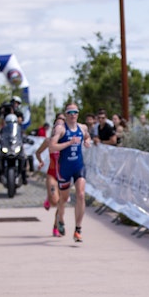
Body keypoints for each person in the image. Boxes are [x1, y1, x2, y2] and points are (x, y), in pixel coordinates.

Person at [50, 103, 92, 242]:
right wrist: (68, 143)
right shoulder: (61, 129)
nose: (73, 115)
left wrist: (87, 141)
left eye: (75, 112)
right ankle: (60, 218)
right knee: (64, 199)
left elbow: (87, 136)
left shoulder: (82, 127)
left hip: (78, 166)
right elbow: (52, 146)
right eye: (70, 112)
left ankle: (78, 229)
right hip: (64, 168)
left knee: (80, 194)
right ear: (66, 114)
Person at [36, 114, 65, 236]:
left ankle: (56, 226)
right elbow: (38, 152)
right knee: (54, 200)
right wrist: (41, 162)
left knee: (61, 203)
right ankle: (49, 197)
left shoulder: (68, 141)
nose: (59, 127)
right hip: (52, 174)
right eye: (57, 124)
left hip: (64, 175)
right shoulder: (49, 141)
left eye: (62, 124)